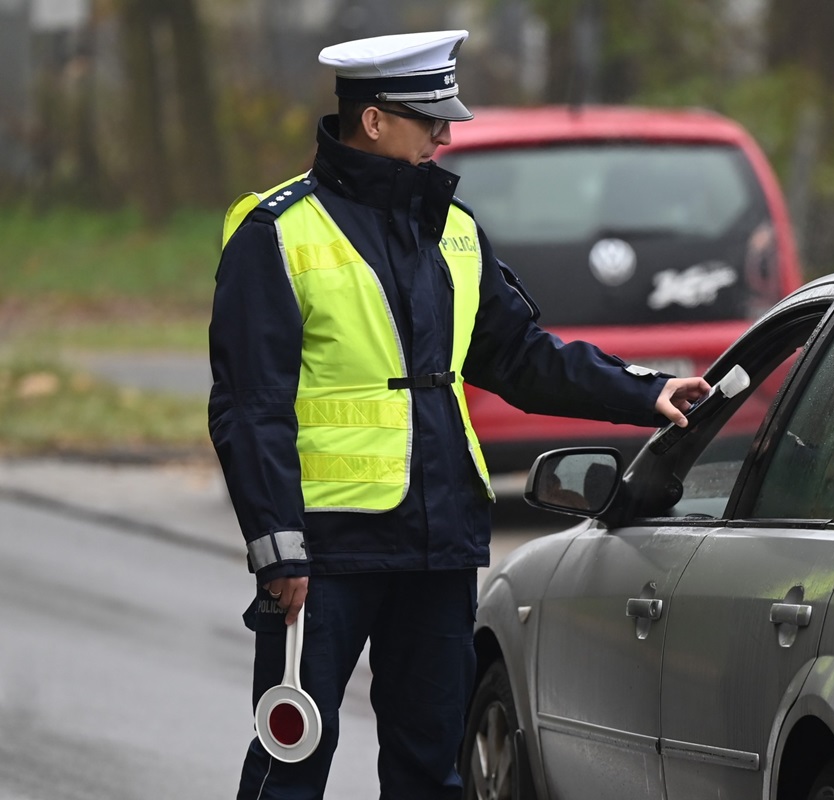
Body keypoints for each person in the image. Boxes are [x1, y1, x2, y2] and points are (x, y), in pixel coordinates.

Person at [207, 29, 710, 800]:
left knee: (430, 769)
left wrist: (643, 392)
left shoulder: (454, 228)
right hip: (324, 551)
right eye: (429, 118)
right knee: (292, 757)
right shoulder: (276, 232)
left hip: (439, 541)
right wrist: (278, 550)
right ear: (373, 120)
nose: (446, 134)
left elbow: (520, 357)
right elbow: (251, 408)